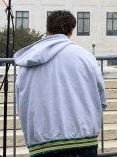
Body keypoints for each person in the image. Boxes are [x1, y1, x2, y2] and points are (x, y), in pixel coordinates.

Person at [14, 10, 107, 156]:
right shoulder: (86, 58)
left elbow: (21, 104)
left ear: (48, 29)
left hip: (42, 145)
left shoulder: (26, 64)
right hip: (83, 142)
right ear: (71, 30)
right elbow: (101, 99)